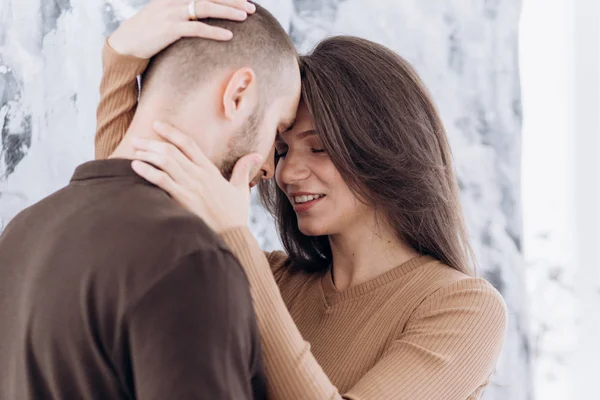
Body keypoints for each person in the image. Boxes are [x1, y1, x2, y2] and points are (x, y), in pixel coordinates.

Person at [95, 3, 508, 400]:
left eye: (319, 148)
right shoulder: (273, 279)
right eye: (281, 150)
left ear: (383, 146)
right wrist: (120, 60)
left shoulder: (463, 308)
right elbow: (133, 219)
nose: (287, 173)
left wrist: (234, 239)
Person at [0, 1, 300, 399]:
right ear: (239, 93)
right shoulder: (190, 261)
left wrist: (119, 57)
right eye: (277, 131)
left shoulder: (23, 231)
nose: (269, 169)